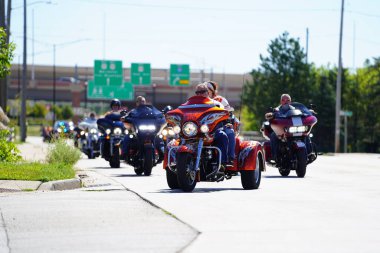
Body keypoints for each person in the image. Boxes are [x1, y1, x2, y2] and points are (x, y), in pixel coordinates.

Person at [194, 83, 232, 166]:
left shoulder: (216, 104)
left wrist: (227, 120)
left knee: (222, 136)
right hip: (194, 132)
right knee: (177, 141)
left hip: (212, 131)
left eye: (202, 91)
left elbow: (225, 114)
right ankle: (176, 162)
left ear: (208, 92)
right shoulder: (191, 104)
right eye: (197, 92)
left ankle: (222, 163)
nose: (199, 94)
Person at [205, 81, 236, 163]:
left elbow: (228, 113)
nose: (206, 92)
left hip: (220, 126)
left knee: (229, 132)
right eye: (204, 91)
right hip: (203, 128)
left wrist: (228, 122)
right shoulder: (199, 101)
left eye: (207, 90)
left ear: (212, 91)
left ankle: (229, 157)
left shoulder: (220, 100)